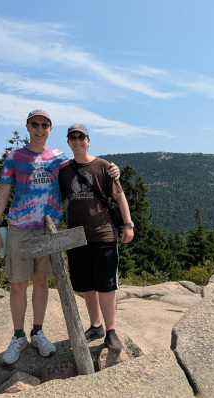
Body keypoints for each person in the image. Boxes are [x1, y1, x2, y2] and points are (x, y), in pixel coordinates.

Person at [0, 110, 119, 364]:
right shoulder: (14, 157)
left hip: (49, 228)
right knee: (17, 283)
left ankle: (37, 332)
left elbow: (84, 164)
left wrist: (112, 170)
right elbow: (3, 194)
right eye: (35, 124)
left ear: (50, 129)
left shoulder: (59, 158)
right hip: (19, 227)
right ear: (27, 126)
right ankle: (18, 336)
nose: (40, 129)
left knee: (41, 280)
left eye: (44, 125)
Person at [59, 123, 134, 352]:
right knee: (86, 285)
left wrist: (128, 225)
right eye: (73, 137)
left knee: (106, 285)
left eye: (81, 137)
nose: (77, 141)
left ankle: (111, 331)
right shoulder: (64, 170)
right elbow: (57, 199)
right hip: (76, 237)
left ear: (88, 140)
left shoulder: (104, 166)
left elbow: (119, 197)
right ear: (68, 142)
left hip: (103, 234)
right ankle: (95, 326)